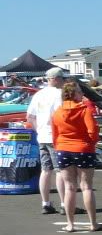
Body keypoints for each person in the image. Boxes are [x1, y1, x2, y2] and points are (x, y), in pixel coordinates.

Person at [51, 81, 102, 232]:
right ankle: (93, 223)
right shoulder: (84, 110)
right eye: (80, 92)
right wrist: (91, 143)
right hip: (83, 149)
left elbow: (55, 134)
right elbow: (92, 131)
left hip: (62, 148)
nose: (82, 94)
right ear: (74, 94)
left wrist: (59, 146)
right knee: (86, 187)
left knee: (69, 187)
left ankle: (70, 224)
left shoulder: (57, 112)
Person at [25, 67, 67, 214]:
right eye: (62, 78)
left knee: (45, 170)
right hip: (55, 137)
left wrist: (39, 130)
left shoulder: (38, 94)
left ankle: (46, 203)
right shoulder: (59, 94)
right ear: (56, 79)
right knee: (60, 171)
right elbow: (60, 116)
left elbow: (30, 117)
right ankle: (64, 204)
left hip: (42, 135)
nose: (64, 81)